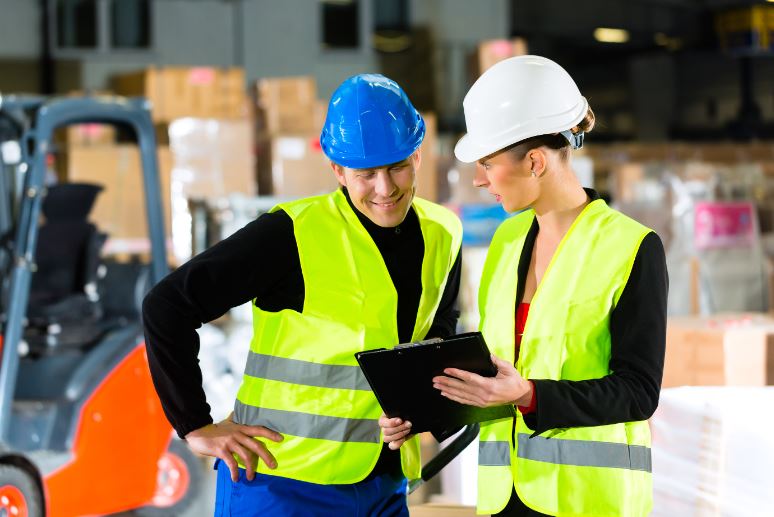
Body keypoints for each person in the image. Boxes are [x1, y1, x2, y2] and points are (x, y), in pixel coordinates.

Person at [142, 73, 463, 516]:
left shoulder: (443, 232)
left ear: (417, 156)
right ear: (337, 170)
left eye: (397, 167)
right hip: (280, 480)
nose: (385, 188)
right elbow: (167, 306)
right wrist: (194, 424)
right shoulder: (290, 234)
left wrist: (418, 408)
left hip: (384, 482)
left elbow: (439, 325)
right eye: (365, 174)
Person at [381, 55, 667, 517]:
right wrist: (424, 413)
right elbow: (499, 372)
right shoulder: (507, 241)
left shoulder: (631, 246)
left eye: (488, 163)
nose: (478, 179)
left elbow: (638, 391)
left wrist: (530, 396)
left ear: (534, 161)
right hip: (504, 496)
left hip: (587, 502)